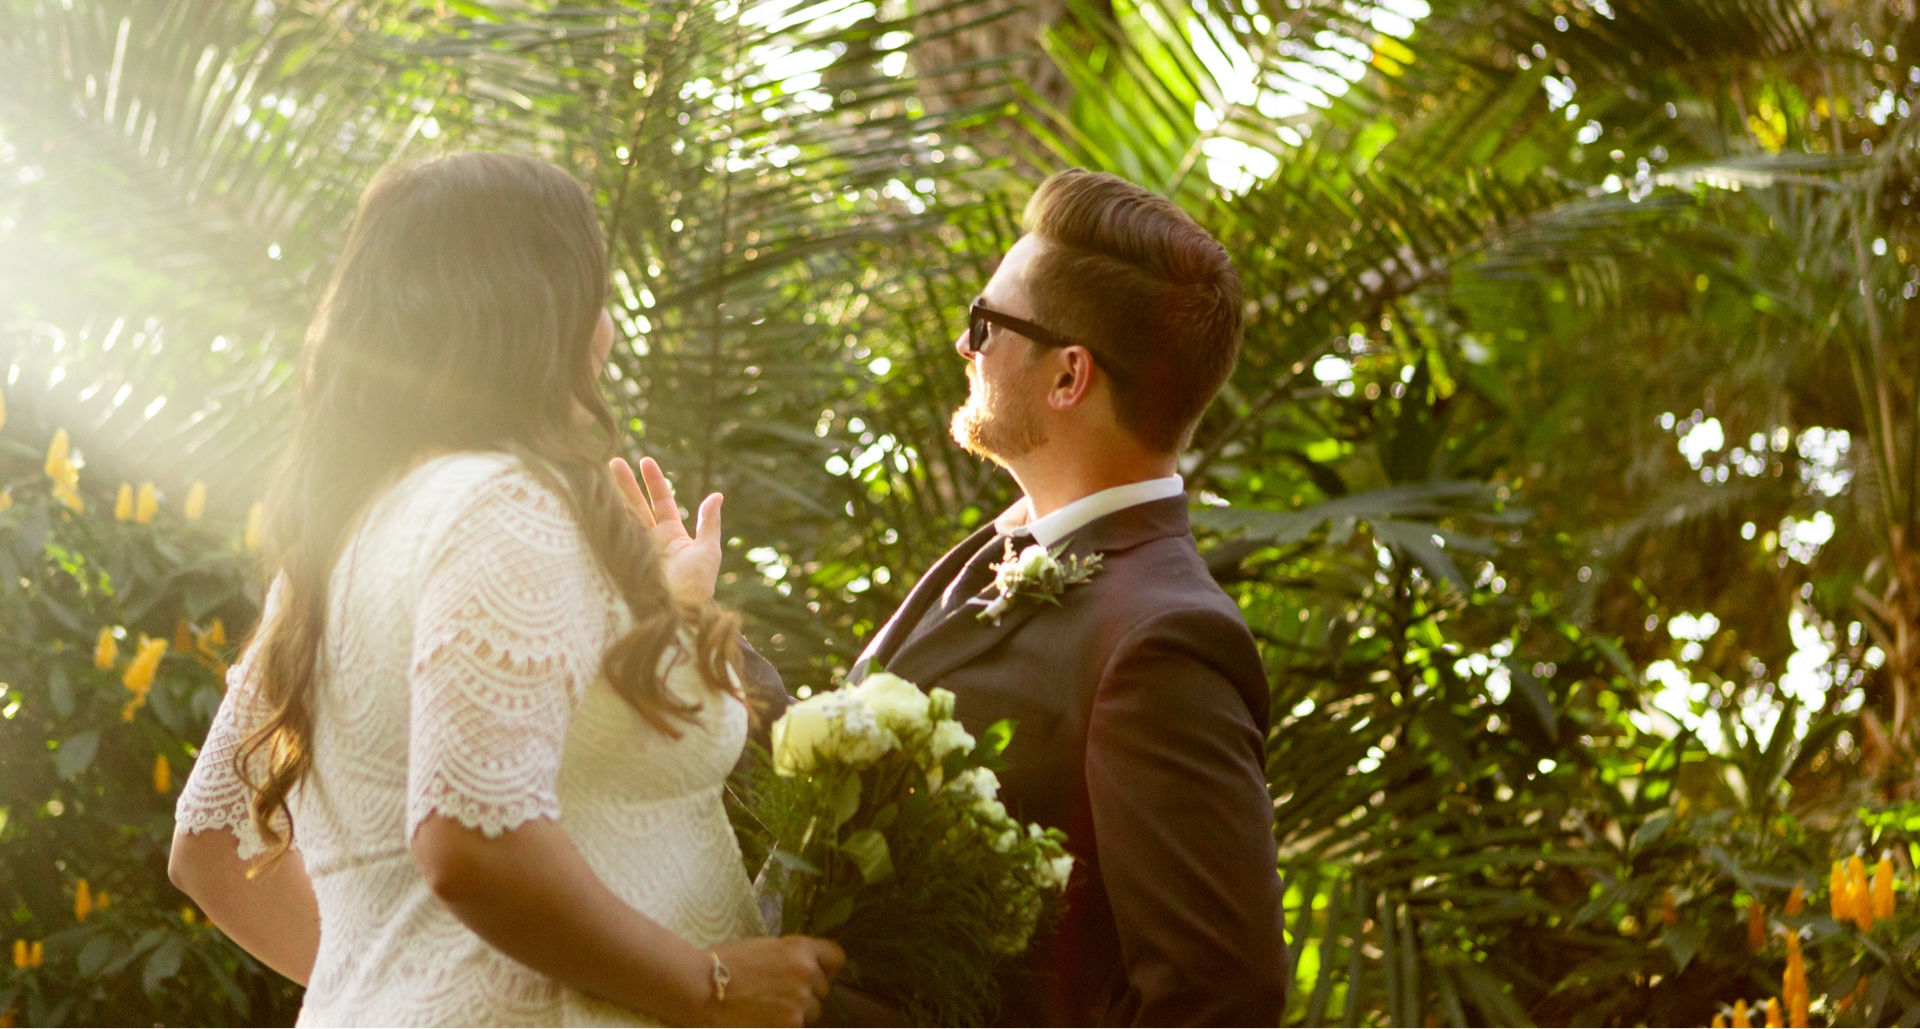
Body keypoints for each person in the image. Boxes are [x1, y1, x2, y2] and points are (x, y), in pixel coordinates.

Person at [168, 153, 843, 1026]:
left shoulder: (340, 541)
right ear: (544, 311)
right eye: (593, 291)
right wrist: (706, 982)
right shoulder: (505, 503)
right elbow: (472, 843)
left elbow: (212, 849)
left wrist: (395, 990)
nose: (603, 329)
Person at [851, 168, 1287, 1025]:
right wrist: (693, 624)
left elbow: (1221, 995)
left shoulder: (1164, 640)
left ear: (1067, 377)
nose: (964, 346)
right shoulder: (1000, 544)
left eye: (987, 323)